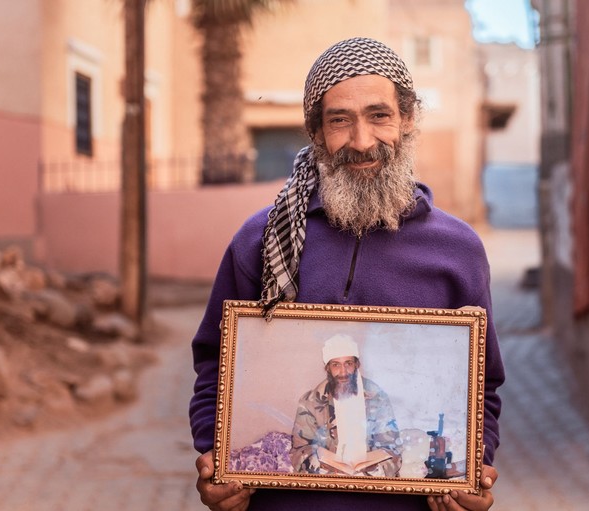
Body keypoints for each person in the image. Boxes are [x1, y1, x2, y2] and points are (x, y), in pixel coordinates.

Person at [190, 36, 504, 511]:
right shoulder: (260, 241)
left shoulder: (456, 251)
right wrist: (217, 458)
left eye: (380, 115)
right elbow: (217, 364)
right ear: (316, 132)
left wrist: (467, 469)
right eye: (340, 120)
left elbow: (480, 386)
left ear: (409, 119)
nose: (361, 142)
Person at [290, 334, 401, 477]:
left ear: (357, 365)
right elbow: (300, 450)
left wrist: (375, 470)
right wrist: (320, 466)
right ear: (328, 368)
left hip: (371, 480)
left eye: (348, 363)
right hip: (327, 479)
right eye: (336, 365)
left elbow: (392, 448)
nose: (343, 372)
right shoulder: (310, 402)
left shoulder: (378, 398)